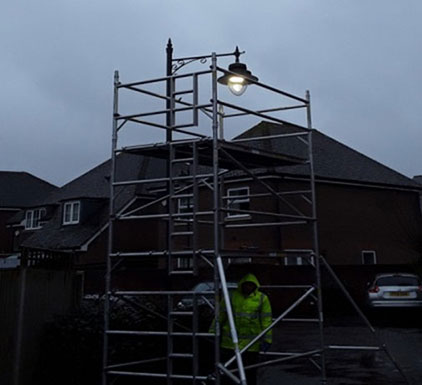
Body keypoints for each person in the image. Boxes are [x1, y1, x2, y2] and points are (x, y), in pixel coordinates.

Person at [210, 273, 272, 385]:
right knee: (228, 374)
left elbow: (266, 321)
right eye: (246, 285)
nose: (248, 287)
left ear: (255, 286)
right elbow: (221, 316)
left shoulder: (262, 299)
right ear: (242, 285)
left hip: (251, 344)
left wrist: (267, 339)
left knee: (250, 373)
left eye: (251, 285)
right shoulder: (232, 297)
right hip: (230, 344)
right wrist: (213, 332)